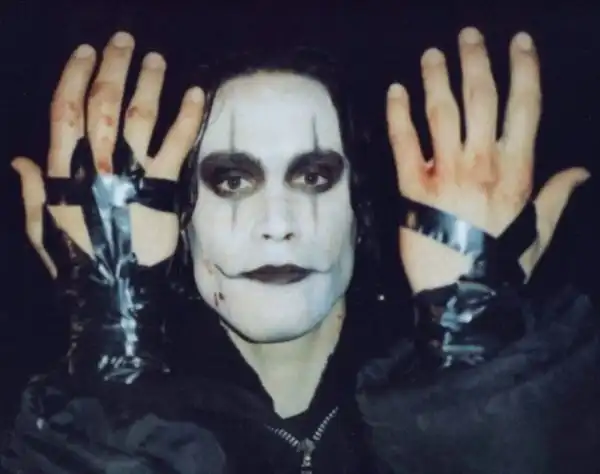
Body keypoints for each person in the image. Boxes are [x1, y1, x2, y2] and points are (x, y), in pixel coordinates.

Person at [1, 26, 599, 474]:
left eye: (314, 177)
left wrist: (474, 362)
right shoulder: (59, 419)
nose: (278, 225)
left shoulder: (543, 383)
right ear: (179, 221)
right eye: (231, 180)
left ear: (360, 212)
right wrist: (116, 355)